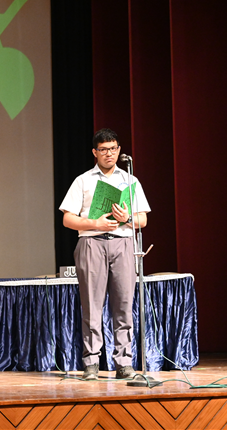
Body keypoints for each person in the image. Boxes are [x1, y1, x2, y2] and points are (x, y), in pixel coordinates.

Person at [59, 128, 151, 380]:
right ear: (95, 152)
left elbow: (142, 220)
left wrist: (128, 217)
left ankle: (124, 363)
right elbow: (67, 219)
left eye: (113, 149)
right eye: (103, 150)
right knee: (92, 304)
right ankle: (91, 363)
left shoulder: (130, 180)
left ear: (119, 150)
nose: (109, 154)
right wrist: (95, 223)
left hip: (123, 243)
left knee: (124, 304)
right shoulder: (83, 180)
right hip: (92, 243)